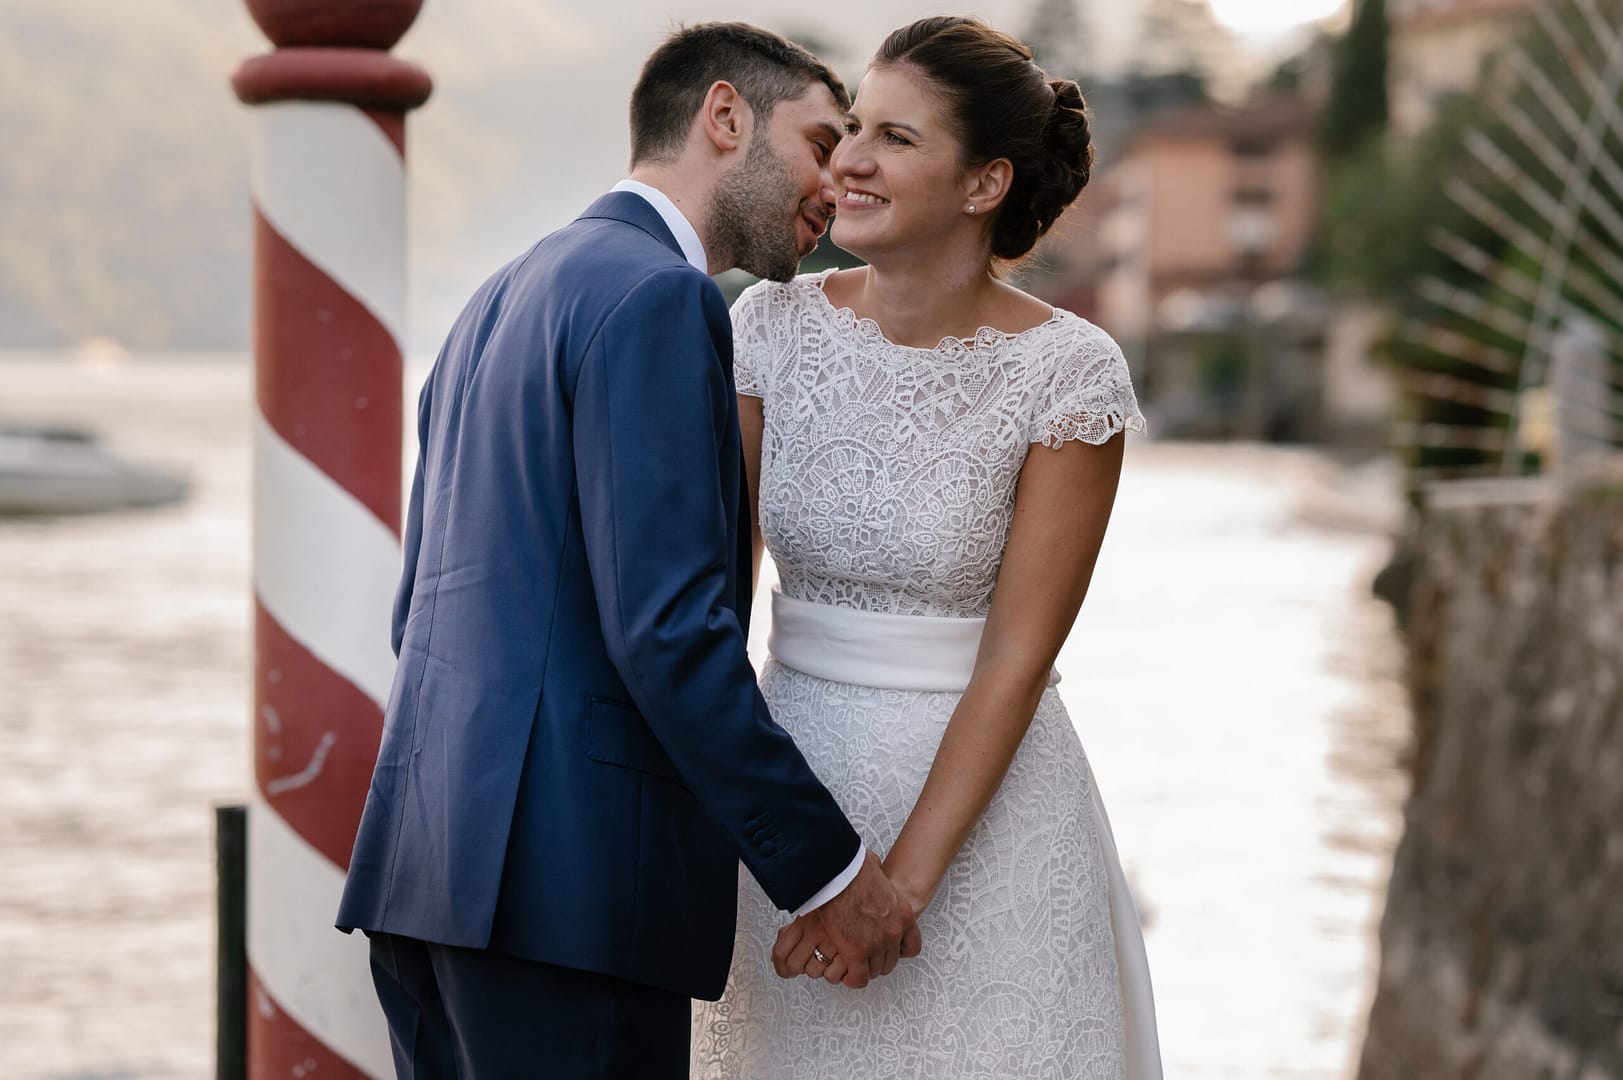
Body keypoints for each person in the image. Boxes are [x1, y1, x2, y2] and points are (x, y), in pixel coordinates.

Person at [336, 23, 921, 1078]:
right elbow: (668, 633)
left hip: (427, 874)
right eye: (819, 141)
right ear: (726, 115)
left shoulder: (498, 297)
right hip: (567, 896)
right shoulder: (662, 295)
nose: (835, 183)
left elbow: (415, 606)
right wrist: (829, 872)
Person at [690, 15, 1162, 1079]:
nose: (847, 158)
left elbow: (1016, 657)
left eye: (896, 139)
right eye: (855, 127)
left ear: (984, 184)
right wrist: (797, 853)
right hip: (791, 809)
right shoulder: (767, 327)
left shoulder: (1069, 374)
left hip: (987, 831)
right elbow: (710, 604)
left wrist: (900, 886)